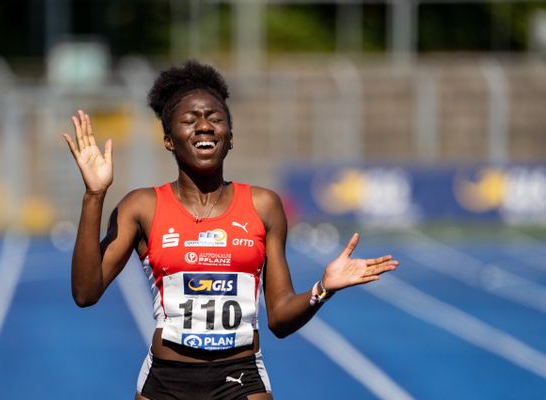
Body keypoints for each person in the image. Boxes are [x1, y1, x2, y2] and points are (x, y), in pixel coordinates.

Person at [63, 60, 399, 400]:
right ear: (168, 140)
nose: (204, 126)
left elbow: (280, 317)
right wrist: (95, 195)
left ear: (230, 138)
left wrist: (323, 289)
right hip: (166, 383)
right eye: (190, 121)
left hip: (241, 378)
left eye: (215, 118)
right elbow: (85, 293)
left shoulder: (264, 206)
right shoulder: (142, 207)